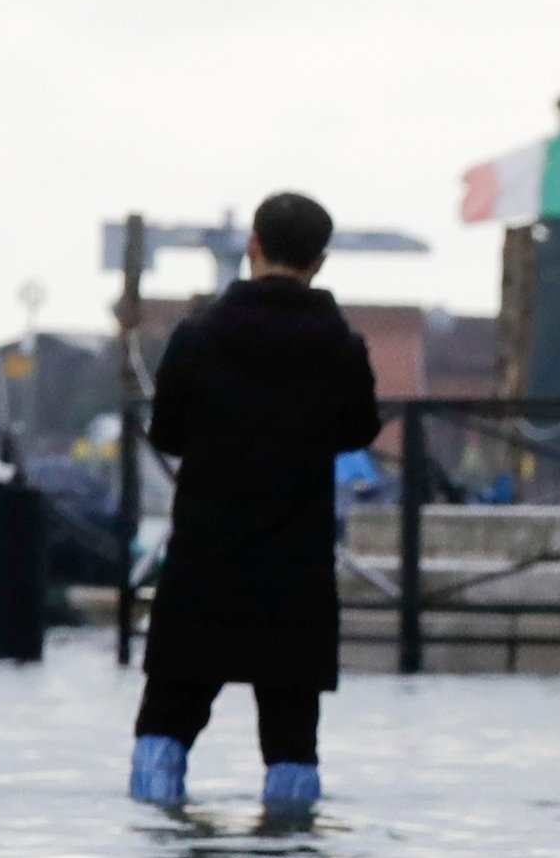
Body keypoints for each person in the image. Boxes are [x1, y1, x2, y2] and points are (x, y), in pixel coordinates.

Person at [131, 191, 383, 817]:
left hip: (203, 563)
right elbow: (358, 431)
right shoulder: (340, 347)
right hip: (295, 568)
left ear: (252, 247)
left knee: (166, 723)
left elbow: (166, 434)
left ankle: (160, 854)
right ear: (319, 263)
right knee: (293, 741)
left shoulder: (197, 337)